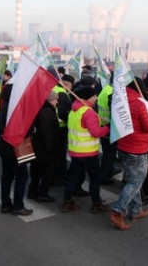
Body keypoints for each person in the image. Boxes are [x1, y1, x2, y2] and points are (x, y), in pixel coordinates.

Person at [110, 78, 148, 230]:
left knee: (133, 179)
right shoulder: (140, 102)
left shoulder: (119, 101)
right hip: (137, 148)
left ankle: (136, 210)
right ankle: (118, 211)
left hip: (123, 145)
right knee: (135, 181)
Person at [61, 86, 109, 214]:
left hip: (75, 151)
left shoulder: (74, 110)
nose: (96, 98)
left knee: (74, 177)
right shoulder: (88, 112)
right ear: (87, 97)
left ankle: (67, 201)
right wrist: (108, 129)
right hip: (88, 152)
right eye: (94, 96)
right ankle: (96, 203)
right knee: (94, 178)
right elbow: (95, 132)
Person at [0, 84, 33, 216]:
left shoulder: (4, 106)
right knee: (22, 176)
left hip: (4, 147)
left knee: (7, 176)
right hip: (15, 147)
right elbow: (23, 130)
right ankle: (18, 206)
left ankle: (6, 204)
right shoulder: (14, 109)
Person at [28, 91, 60, 202]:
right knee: (46, 172)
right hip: (44, 149)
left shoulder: (42, 109)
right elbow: (47, 132)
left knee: (36, 171)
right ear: (51, 99)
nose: (57, 102)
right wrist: (50, 148)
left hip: (38, 146)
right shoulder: (47, 112)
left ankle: (32, 191)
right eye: (56, 99)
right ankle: (42, 193)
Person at [52, 74, 74, 185]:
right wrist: (69, 122)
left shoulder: (53, 88)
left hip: (51, 126)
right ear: (67, 84)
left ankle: (54, 175)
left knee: (54, 153)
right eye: (71, 86)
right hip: (60, 128)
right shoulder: (63, 94)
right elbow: (62, 113)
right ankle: (59, 176)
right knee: (60, 154)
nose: (71, 89)